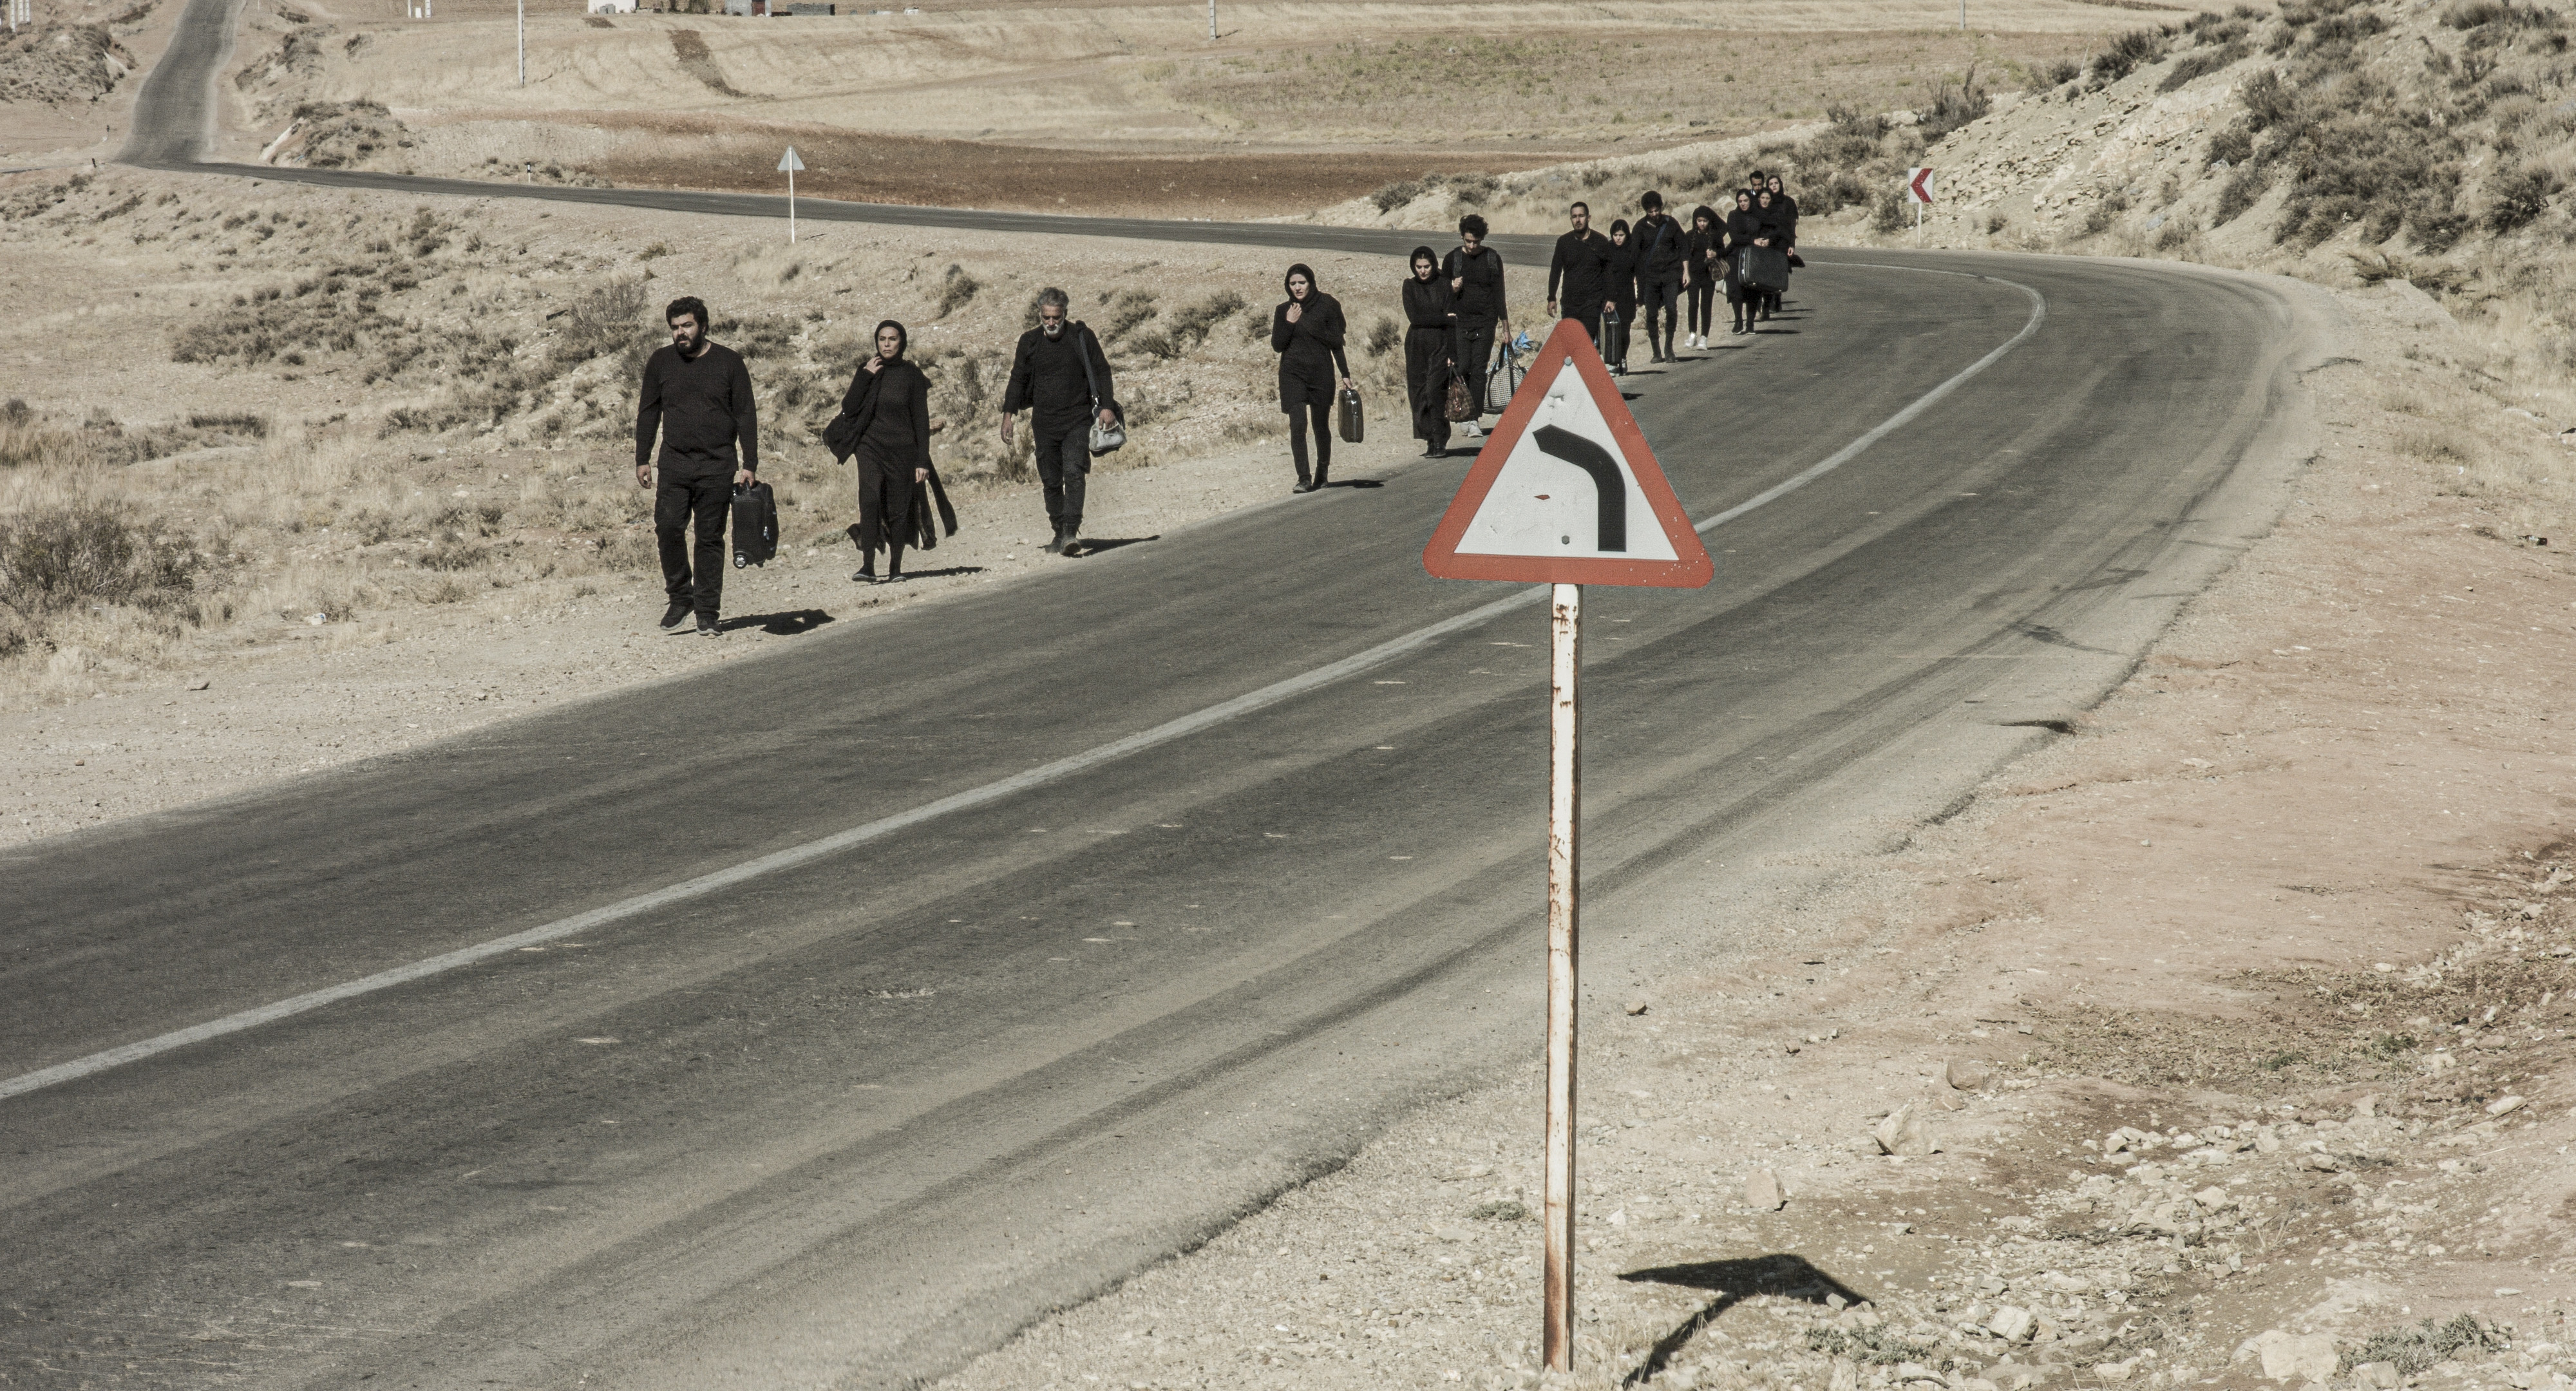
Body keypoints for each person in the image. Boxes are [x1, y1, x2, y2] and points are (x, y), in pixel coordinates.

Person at [634, 295, 757, 638]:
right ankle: (680, 597)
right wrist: (642, 457)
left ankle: (707, 612)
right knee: (668, 528)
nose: (681, 333)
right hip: (674, 463)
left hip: (717, 465)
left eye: (687, 325)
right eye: (675, 327)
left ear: (703, 325)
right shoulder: (661, 362)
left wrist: (750, 463)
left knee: (709, 538)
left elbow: (746, 414)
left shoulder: (729, 362)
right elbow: (648, 412)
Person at [1000, 287, 1119, 557]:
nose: (1052, 322)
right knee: (1051, 481)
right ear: (1039, 315)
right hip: (1044, 423)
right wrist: (1008, 416)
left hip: (1077, 419)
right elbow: (1017, 378)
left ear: (1065, 313)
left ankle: (1070, 532)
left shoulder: (1081, 337)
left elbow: (1102, 370)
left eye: (1057, 317)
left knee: (1074, 472)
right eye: (1047, 317)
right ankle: (1058, 531)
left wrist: (1107, 407)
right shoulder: (1029, 342)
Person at [840, 319, 934, 583]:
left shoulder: (912, 374)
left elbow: (921, 420)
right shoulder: (867, 369)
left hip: (902, 451)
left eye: (892, 339)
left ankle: (895, 568)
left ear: (902, 342)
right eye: (882, 339)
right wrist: (865, 376)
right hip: (869, 448)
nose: (887, 344)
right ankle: (867, 566)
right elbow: (849, 407)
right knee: (869, 501)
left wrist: (922, 460)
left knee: (898, 508)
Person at [1271, 263, 1352, 493]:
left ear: (1311, 283)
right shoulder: (1284, 310)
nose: (1297, 288)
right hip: (1292, 374)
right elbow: (1277, 345)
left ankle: (1322, 473)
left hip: (1321, 372)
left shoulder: (1327, 305)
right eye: (1292, 284)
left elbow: (1336, 343)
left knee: (1320, 425)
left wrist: (1345, 373)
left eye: (1302, 282)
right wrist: (1289, 322)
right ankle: (1303, 478)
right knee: (1298, 424)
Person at [1443, 213, 1507, 433]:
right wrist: (1452, 287)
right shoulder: (1452, 259)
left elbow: (1499, 293)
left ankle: (1474, 419)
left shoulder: (1492, 258)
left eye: (1476, 242)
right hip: (1460, 322)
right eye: (1468, 241)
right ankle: (1463, 413)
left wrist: (1505, 327)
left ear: (1482, 239)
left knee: (1479, 370)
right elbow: (1442, 294)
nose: (1472, 246)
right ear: (1462, 236)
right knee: (1463, 367)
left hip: (1486, 322)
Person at [1401, 247, 1455, 458]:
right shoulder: (1409, 286)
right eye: (1419, 267)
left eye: (1427, 266)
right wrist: (1443, 319)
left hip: (1440, 344)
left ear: (1434, 265)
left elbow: (1452, 321)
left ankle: (1440, 440)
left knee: (1435, 391)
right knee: (1419, 394)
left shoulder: (1444, 285)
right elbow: (1414, 318)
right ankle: (1430, 440)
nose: (1423, 271)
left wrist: (1453, 353)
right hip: (1416, 346)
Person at [1544, 201, 1613, 348]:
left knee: (1586, 344)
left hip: (1592, 303)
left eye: (1581, 216)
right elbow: (1555, 271)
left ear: (1588, 218)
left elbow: (1609, 272)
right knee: (1571, 345)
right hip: (1570, 303)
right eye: (1574, 217)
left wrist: (1610, 298)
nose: (1578, 220)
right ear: (1571, 219)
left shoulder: (1600, 241)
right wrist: (1552, 298)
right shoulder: (1564, 242)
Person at [1633, 191, 1686, 364]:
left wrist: (1686, 271)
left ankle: (1669, 348)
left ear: (1661, 208)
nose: (1655, 214)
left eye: (1657, 210)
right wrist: (1635, 278)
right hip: (1650, 277)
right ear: (1646, 211)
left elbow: (1684, 247)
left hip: (1671, 274)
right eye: (1651, 212)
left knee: (1671, 309)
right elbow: (1634, 255)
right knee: (1651, 314)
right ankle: (1656, 352)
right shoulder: (1639, 228)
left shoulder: (1671, 223)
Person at [1601, 218, 1641, 374]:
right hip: (1610, 295)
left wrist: (1640, 295)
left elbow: (1639, 273)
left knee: (1624, 330)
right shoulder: (1607, 249)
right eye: (1615, 235)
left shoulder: (1632, 250)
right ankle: (1613, 361)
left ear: (1627, 235)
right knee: (1611, 330)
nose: (1618, 238)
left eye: (1621, 235)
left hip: (1627, 295)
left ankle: (1623, 357)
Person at [1683, 204, 1723, 351]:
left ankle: (1704, 338)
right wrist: (1686, 273)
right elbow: (1685, 255)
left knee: (1706, 306)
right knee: (1693, 304)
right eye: (1699, 221)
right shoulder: (1689, 236)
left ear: (1709, 221)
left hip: (1708, 276)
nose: (1702, 224)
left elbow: (1723, 251)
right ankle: (1692, 334)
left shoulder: (1715, 236)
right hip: (1693, 275)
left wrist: (1715, 254)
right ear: (1695, 221)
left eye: (1705, 221)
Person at [1723, 189, 1764, 336]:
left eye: (1746, 201)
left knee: (1753, 288)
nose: (1743, 204)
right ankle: (1738, 321)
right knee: (1735, 289)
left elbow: (1764, 233)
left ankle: (1750, 323)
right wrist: (1753, 240)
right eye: (1740, 201)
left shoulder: (1759, 215)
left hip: (1753, 256)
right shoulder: (1733, 215)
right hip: (1736, 255)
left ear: (1751, 201)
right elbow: (1735, 237)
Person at [1752, 188, 1787, 321]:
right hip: (1756, 250)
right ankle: (1756, 309)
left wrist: (1770, 240)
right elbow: (1749, 230)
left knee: (1768, 282)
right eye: (1763, 198)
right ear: (1758, 199)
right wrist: (1756, 240)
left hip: (1772, 250)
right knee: (1755, 282)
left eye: (1767, 198)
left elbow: (1781, 230)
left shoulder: (1777, 213)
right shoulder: (1753, 212)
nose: (1765, 201)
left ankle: (1766, 308)